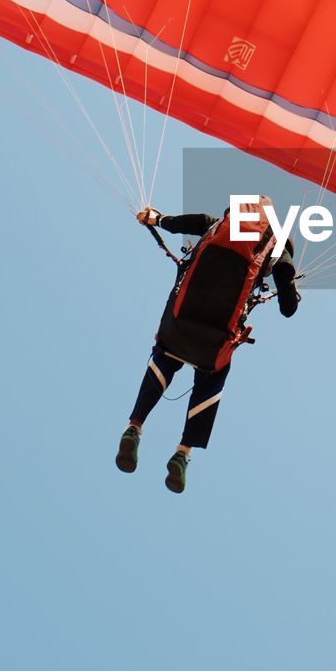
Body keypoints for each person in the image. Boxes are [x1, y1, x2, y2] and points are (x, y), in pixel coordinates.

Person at [115, 201, 300, 494]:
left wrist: (156, 218)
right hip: (214, 341)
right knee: (215, 373)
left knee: (164, 352)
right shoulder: (278, 248)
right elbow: (288, 308)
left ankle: (134, 426)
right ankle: (183, 451)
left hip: (179, 322)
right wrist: (291, 292)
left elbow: (181, 222)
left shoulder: (215, 224)